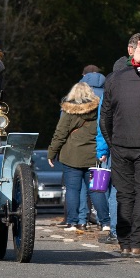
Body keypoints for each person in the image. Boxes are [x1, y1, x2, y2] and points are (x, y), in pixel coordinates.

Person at [101, 33, 140, 256]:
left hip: (121, 142)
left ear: (130, 50)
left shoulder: (114, 78)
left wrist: (112, 141)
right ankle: (138, 241)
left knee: (124, 193)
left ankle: (125, 241)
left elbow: (105, 115)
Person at [46, 81, 101, 234]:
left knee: (73, 190)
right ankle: (103, 221)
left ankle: (73, 221)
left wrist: (52, 153)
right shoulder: (98, 110)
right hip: (93, 155)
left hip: (72, 157)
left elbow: (60, 134)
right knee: (95, 190)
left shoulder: (69, 112)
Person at [81, 64, 111, 235]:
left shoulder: (78, 96)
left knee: (96, 186)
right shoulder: (108, 92)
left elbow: (102, 125)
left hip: (87, 149)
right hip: (119, 145)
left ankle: (84, 219)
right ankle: (110, 222)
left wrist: (101, 150)